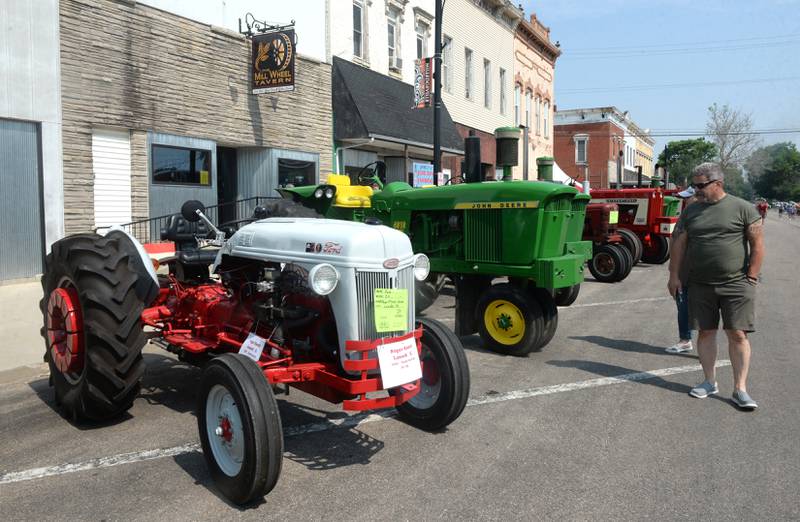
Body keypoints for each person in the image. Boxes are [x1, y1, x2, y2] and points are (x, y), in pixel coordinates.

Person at [667, 162, 764, 409]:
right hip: (700, 284)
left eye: (700, 185)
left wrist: (751, 277)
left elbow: (757, 244)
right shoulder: (691, 211)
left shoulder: (742, 208)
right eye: (694, 185)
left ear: (717, 183)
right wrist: (674, 275)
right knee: (706, 332)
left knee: (737, 334)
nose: (696, 190)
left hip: (736, 284)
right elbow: (678, 243)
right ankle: (709, 381)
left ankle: (740, 389)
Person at [665, 187, 697, 354]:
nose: (684, 201)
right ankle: (685, 338)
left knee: (685, 303)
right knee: (682, 302)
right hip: (683, 268)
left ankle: (685, 339)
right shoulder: (686, 215)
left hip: (690, 270)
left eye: (688, 198)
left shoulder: (693, 217)